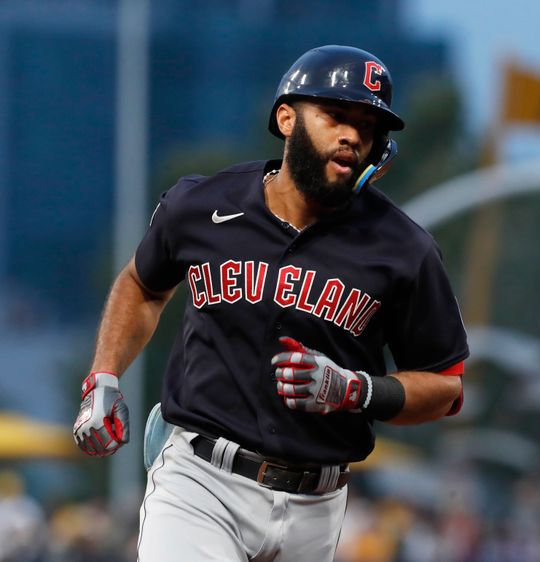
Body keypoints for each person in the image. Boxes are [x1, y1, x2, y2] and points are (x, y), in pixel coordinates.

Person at [71, 45, 469, 561]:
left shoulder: (403, 249)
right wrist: (103, 375)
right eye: (335, 115)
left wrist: (356, 390)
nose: (351, 135)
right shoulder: (202, 204)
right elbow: (143, 285)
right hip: (202, 483)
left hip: (318, 507)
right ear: (286, 118)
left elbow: (445, 386)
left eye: (367, 126)